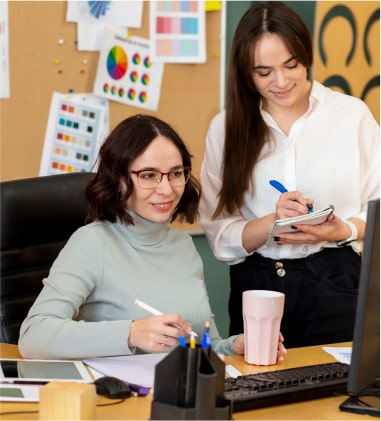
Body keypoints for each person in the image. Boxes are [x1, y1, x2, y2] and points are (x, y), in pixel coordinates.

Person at [19, 114, 286, 360]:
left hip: (181, 399)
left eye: (175, 173)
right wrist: (131, 333)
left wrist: (232, 346)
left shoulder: (183, 246)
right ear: (118, 179)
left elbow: (204, 344)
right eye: (148, 175)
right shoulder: (92, 243)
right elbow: (33, 335)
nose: (166, 189)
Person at [199, 1, 380, 348]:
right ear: (246, 72)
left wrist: (342, 229)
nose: (280, 82)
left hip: (336, 279)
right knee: (258, 392)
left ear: (306, 56)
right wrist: (273, 222)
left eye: (291, 65)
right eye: (263, 72)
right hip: (258, 285)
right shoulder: (226, 128)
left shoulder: (351, 115)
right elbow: (220, 236)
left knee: (337, 394)